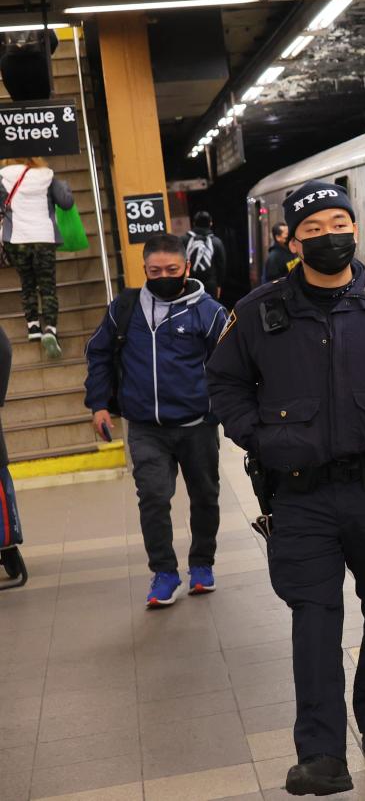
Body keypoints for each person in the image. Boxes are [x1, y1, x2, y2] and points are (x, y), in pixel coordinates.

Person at [207, 180, 365, 796]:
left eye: (339, 223)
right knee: (314, 622)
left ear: (355, 228)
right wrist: (260, 439)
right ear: (291, 240)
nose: (329, 236)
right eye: (313, 229)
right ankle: (320, 753)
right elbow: (224, 386)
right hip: (299, 499)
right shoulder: (258, 311)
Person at [83, 234, 229, 607]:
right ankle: (164, 572)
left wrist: (219, 410)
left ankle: (202, 564)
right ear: (144, 268)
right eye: (154, 270)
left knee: (205, 496)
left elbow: (231, 365)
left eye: (172, 270)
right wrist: (99, 404)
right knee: (152, 497)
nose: (163, 275)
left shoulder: (209, 312)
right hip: (146, 426)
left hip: (197, 424)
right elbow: (99, 353)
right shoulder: (125, 308)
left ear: (187, 268)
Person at [0, 156, 74, 358]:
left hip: (17, 238)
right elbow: (66, 203)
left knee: (27, 282)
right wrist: (64, 186)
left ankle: (33, 327)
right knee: (47, 285)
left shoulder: (3, 177)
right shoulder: (47, 177)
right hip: (44, 238)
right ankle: (50, 329)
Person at [185, 210, 226, 299]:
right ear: (210, 223)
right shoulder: (216, 242)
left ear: (194, 223)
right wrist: (219, 285)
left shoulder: (183, 240)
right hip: (210, 285)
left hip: (189, 285)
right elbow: (221, 266)